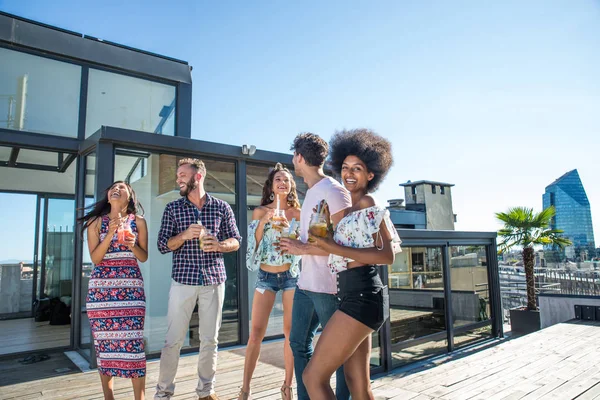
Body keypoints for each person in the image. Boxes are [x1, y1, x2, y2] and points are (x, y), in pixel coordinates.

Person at [303, 129, 401, 400]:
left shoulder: (369, 203)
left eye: (357, 168)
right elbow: (344, 249)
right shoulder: (350, 208)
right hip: (352, 295)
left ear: (371, 175)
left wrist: (331, 245)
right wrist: (323, 232)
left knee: (312, 376)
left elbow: (387, 255)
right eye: (345, 167)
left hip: (362, 295)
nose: (349, 173)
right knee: (357, 382)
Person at [155, 158, 241, 400]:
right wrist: (183, 235)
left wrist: (221, 245)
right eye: (178, 175)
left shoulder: (221, 207)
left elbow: (236, 240)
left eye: (183, 174)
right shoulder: (173, 208)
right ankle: (163, 393)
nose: (179, 178)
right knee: (173, 340)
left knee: (210, 340)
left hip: (214, 280)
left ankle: (206, 391)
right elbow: (163, 245)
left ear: (198, 176)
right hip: (183, 281)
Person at [278, 133, 352, 400]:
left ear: (299, 157)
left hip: (328, 287)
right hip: (305, 284)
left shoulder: (334, 190)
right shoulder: (311, 192)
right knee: (298, 343)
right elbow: (320, 237)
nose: (293, 163)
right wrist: (299, 241)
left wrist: (301, 248)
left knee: (341, 352)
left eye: (293, 157)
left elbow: (346, 244)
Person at [239, 163, 302, 400]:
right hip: (266, 276)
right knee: (256, 333)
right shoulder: (259, 211)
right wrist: (264, 222)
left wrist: (291, 231)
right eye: (278, 179)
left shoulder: (297, 213)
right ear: (271, 185)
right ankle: (245, 387)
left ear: (291, 185)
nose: (282, 183)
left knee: (289, 332)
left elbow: (306, 243)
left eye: (286, 179)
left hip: (290, 277)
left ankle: (287, 386)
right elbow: (253, 244)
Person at [80, 181, 149, 400]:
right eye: (113, 187)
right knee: (105, 347)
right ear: (109, 196)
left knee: (134, 346)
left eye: (122, 186)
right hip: (102, 294)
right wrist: (110, 233)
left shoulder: (138, 222)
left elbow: (143, 256)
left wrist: (131, 245)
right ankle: (109, 397)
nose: (116, 188)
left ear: (130, 196)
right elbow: (95, 258)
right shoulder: (96, 222)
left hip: (130, 292)